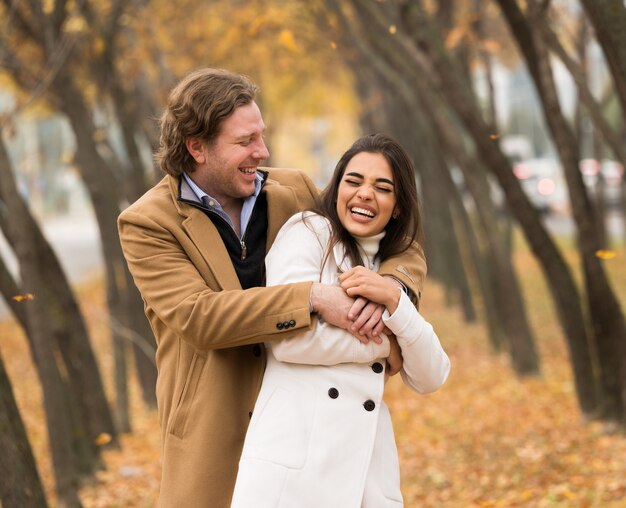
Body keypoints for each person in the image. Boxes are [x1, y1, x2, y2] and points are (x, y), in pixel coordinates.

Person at [117, 69, 428, 508]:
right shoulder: (147, 223)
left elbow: (395, 237)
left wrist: (391, 288)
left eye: (261, 136)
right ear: (197, 147)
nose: (261, 152)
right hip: (214, 432)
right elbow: (199, 317)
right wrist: (313, 297)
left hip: (303, 431)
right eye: (245, 142)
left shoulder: (294, 190)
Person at [231, 134, 451, 508]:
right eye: (354, 181)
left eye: (383, 188)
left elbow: (433, 375)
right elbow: (289, 341)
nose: (365, 194)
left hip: (366, 476)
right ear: (336, 189)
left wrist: (396, 302)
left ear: (397, 207)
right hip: (294, 476)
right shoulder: (307, 232)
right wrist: (389, 345)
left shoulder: (389, 267)